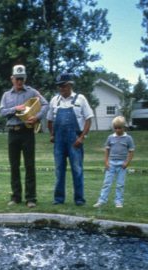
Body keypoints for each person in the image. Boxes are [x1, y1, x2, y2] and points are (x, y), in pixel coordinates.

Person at [0, 64, 49, 208]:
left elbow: (45, 105)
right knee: (14, 166)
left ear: (25, 78)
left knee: (29, 165)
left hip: (27, 132)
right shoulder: (6, 95)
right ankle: (15, 197)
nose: (20, 81)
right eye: (17, 79)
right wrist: (15, 109)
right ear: (12, 79)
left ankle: (31, 198)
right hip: (12, 132)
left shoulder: (32, 92)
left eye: (22, 79)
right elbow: (1, 112)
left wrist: (37, 117)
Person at [47, 73, 94, 206]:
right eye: (59, 86)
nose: (61, 88)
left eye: (63, 85)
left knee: (77, 169)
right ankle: (58, 199)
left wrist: (82, 137)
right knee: (59, 170)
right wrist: (52, 135)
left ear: (70, 85)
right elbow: (49, 120)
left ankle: (79, 200)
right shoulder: (54, 101)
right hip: (59, 142)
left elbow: (89, 119)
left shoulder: (80, 99)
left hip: (75, 140)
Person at [93, 116, 135, 208]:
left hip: (122, 165)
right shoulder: (110, 138)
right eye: (115, 128)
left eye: (119, 128)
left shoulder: (128, 138)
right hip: (111, 163)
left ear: (124, 127)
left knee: (120, 184)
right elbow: (107, 150)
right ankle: (102, 200)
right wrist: (106, 162)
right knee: (107, 183)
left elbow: (131, 151)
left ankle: (118, 201)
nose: (117, 130)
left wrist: (127, 163)